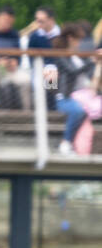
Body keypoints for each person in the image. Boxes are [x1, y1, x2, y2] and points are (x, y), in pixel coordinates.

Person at [43, 22, 96, 155]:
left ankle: (71, 143)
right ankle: (66, 142)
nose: (80, 43)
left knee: (83, 110)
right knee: (79, 110)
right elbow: (72, 71)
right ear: (70, 38)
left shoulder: (77, 57)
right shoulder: (60, 56)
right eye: (78, 40)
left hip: (77, 97)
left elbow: (87, 73)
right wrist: (91, 61)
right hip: (62, 98)